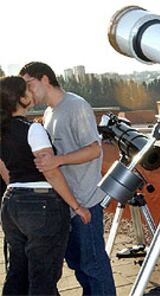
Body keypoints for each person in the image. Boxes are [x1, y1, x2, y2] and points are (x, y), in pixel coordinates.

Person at [19, 62, 117, 295]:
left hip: (86, 201)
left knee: (93, 268)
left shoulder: (76, 106)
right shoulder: (49, 112)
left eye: (29, 84)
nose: (27, 92)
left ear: (44, 78)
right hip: (67, 202)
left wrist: (58, 160)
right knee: (80, 267)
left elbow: (94, 150)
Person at [0, 76, 91, 295]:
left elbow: (4, 169)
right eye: (27, 90)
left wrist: (18, 193)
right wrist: (76, 207)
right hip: (41, 205)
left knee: (17, 272)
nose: (31, 93)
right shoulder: (33, 129)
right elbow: (51, 171)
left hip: (11, 203)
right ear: (22, 99)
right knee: (43, 276)